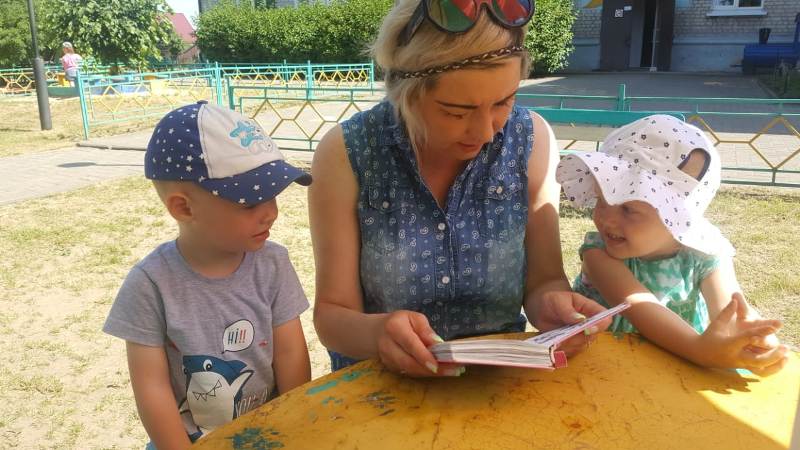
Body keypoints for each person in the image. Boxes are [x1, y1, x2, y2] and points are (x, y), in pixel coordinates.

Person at [309, 0, 613, 378]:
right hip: (381, 385)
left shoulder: (530, 139)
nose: (486, 132)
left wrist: (552, 305)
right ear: (405, 91)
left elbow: (545, 280)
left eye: (504, 102)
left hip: (498, 381)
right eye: (456, 112)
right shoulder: (348, 151)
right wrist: (378, 334)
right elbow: (333, 316)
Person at [103, 101, 313, 449]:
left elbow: (290, 355)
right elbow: (151, 387)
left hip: (270, 435)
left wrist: (293, 432)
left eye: (273, 196)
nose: (271, 213)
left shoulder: (273, 264)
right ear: (184, 207)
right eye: (250, 203)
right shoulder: (151, 284)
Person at [556, 114, 789, 376]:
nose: (605, 218)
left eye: (628, 209)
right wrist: (700, 351)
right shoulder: (598, 255)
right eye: (601, 200)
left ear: (675, 215)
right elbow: (640, 307)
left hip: (676, 374)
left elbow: (731, 311)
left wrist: (753, 341)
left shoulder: (706, 255)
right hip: (602, 372)